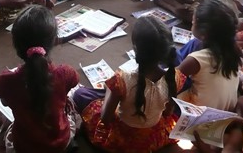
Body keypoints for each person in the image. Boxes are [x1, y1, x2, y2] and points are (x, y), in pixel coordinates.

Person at [73, 16, 185, 153]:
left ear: (136, 49)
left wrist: (110, 89)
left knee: (80, 94)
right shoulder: (175, 77)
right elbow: (168, 113)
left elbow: (105, 118)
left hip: (122, 139)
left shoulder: (122, 79)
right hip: (153, 137)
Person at [0, 5, 80, 153]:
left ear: (16, 44)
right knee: (72, 107)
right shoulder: (66, 73)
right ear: (55, 41)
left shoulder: (5, 81)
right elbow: (71, 85)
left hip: (25, 147)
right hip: (60, 144)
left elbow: (4, 102)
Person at [177, 0, 243, 111]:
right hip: (223, 113)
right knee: (194, 44)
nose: (191, 25)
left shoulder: (195, 60)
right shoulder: (234, 51)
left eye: (193, 23)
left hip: (196, 116)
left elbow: (167, 85)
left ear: (204, 33)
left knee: (171, 56)